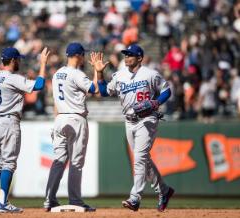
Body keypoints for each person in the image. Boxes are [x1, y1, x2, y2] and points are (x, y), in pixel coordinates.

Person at [95, 44, 174, 212]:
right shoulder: (119, 75)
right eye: (125, 54)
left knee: (139, 159)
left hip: (147, 119)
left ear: (139, 58)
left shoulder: (151, 74)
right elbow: (103, 92)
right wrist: (100, 73)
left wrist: (156, 102)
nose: (127, 57)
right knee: (142, 160)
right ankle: (164, 190)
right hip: (129, 121)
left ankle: (135, 198)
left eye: (131, 54)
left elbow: (167, 91)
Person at [0, 46, 50, 213]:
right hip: (9, 123)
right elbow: (39, 85)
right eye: (18, 59)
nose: (20, 61)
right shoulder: (13, 78)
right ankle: (3, 203)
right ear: (12, 60)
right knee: (9, 164)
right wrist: (43, 64)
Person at [43, 42, 99, 212]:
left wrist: (56, 121)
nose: (83, 58)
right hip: (75, 118)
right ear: (79, 55)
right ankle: (75, 200)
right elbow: (95, 89)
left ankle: (49, 199)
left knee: (58, 161)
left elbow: (55, 102)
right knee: (76, 163)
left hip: (60, 118)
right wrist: (97, 70)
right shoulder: (76, 74)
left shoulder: (57, 74)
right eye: (83, 55)